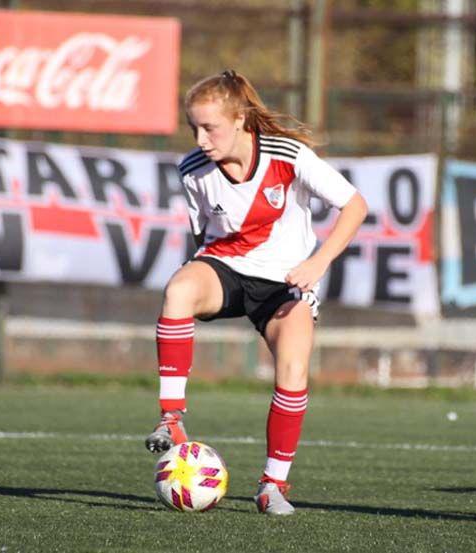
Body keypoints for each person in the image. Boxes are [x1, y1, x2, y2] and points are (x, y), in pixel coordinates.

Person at [143, 70, 368, 516]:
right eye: (194, 128)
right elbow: (202, 238)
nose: (201, 139)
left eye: (210, 128)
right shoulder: (193, 170)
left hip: (284, 284)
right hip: (226, 267)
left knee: (294, 366)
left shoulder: (288, 155)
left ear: (241, 119)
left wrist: (319, 262)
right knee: (180, 289)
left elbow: (355, 205)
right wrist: (204, 270)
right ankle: (171, 417)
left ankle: (272, 487)